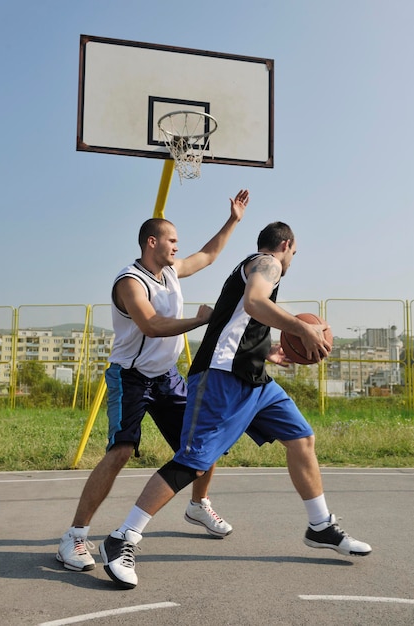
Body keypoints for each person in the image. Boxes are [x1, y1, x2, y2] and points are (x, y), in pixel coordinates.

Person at [97, 219, 372, 590]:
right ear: (287, 245)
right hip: (220, 377)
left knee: (301, 437)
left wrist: (267, 350)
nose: (292, 259)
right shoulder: (267, 263)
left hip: (253, 377)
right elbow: (254, 302)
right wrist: (300, 328)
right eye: (295, 252)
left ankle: (320, 525)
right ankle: (122, 538)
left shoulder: (259, 267)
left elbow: (241, 321)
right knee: (193, 460)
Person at [56, 189, 249, 572]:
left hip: (167, 378)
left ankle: (197, 505)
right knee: (121, 452)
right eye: (172, 240)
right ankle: (74, 537)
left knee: (202, 442)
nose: (178, 246)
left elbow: (208, 255)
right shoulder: (130, 282)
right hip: (131, 378)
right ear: (152, 242)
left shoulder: (170, 273)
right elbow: (151, 324)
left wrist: (233, 221)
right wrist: (199, 320)